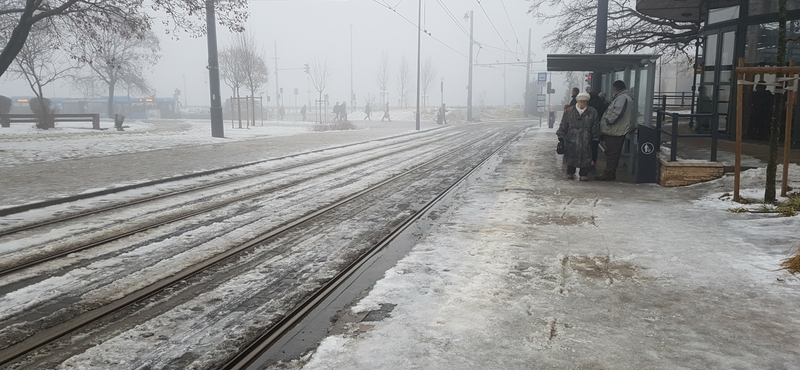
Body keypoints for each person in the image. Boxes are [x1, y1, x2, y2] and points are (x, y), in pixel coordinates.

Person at [595, 80, 638, 181]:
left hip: (615, 131)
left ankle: (609, 173)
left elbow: (617, 112)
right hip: (617, 130)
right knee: (613, 153)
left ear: (616, 88)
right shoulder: (627, 98)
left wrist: (608, 122)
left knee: (612, 153)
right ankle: (609, 172)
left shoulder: (622, 98)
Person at [557, 92, 600, 181]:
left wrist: (595, 138)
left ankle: (583, 173)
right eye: (580, 101)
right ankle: (570, 172)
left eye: (584, 102)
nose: (582, 104)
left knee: (585, 156)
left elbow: (595, 126)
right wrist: (561, 137)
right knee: (571, 156)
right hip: (571, 139)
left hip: (586, 139)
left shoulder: (592, 112)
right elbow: (563, 125)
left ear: (587, 102)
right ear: (577, 101)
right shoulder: (569, 111)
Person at [587, 92, 609, 171]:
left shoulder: (588, 104)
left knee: (587, 146)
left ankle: (587, 162)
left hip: (588, 129)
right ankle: (593, 162)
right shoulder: (602, 104)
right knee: (594, 146)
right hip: (598, 127)